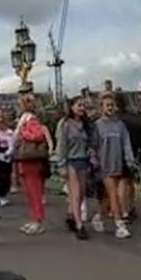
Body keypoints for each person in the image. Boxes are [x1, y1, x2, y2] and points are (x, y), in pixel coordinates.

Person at [92, 92, 135, 236]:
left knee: (107, 195)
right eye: (107, 105)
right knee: (113, 193)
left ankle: (98, 216)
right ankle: (119, 225)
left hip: (117, 164)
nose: (110, 108)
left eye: (112, 105)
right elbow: (93, 146)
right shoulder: (97, 126)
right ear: (101, 108)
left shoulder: (120, 125)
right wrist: (94, 161)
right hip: (104, 165)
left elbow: (126, 143)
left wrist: (130, 160)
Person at [55, 101, 93, 236]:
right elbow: (61, 146)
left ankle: (71, 216)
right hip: (71, 161)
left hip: (83, 161)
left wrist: (90, 152)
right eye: (79, 105)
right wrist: (61, 165)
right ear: (72, 108)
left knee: (81, 194)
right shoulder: (65, 124)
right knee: (76, 194)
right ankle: (79, 225)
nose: (82, 108)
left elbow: (90, 142)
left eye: (83, 105)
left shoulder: (86, 125)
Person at [12, 103, 51, 231]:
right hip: (26, 162)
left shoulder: (30, 121)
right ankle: (34, 218)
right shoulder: (25, 121)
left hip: (31, 161)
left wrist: (23, 133)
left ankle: (38, 220)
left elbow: (38, 136)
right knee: (30, 193)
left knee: (35, 193)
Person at [0, 117, 15, 210]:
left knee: (6, 176)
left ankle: (4, 194)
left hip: (6, 154)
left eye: (1, 123)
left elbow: (12, 146)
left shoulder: (10, 133)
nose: (0, 125)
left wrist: (6, 154)